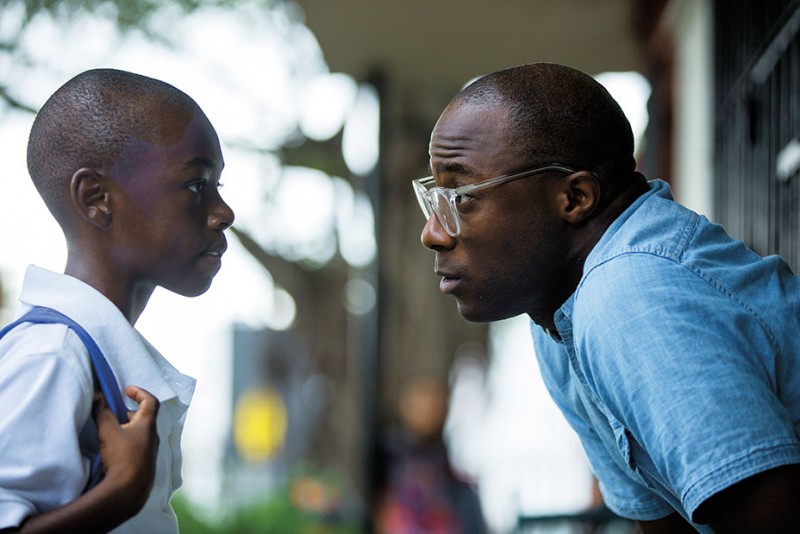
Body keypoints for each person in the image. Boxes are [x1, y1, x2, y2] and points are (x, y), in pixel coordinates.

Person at [413, 62, 800, 532]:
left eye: (461, 197)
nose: (433, 233)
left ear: (575, 198)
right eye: (433, 198)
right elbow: (663, 522)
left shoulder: (630, 295)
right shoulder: (560, 319)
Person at [0, 68, 234, 532]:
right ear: (96, 198)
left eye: (217, 187)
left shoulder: (89, 353)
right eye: (196, 185)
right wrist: (121, 492)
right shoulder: (52, 355)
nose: (224, 213)